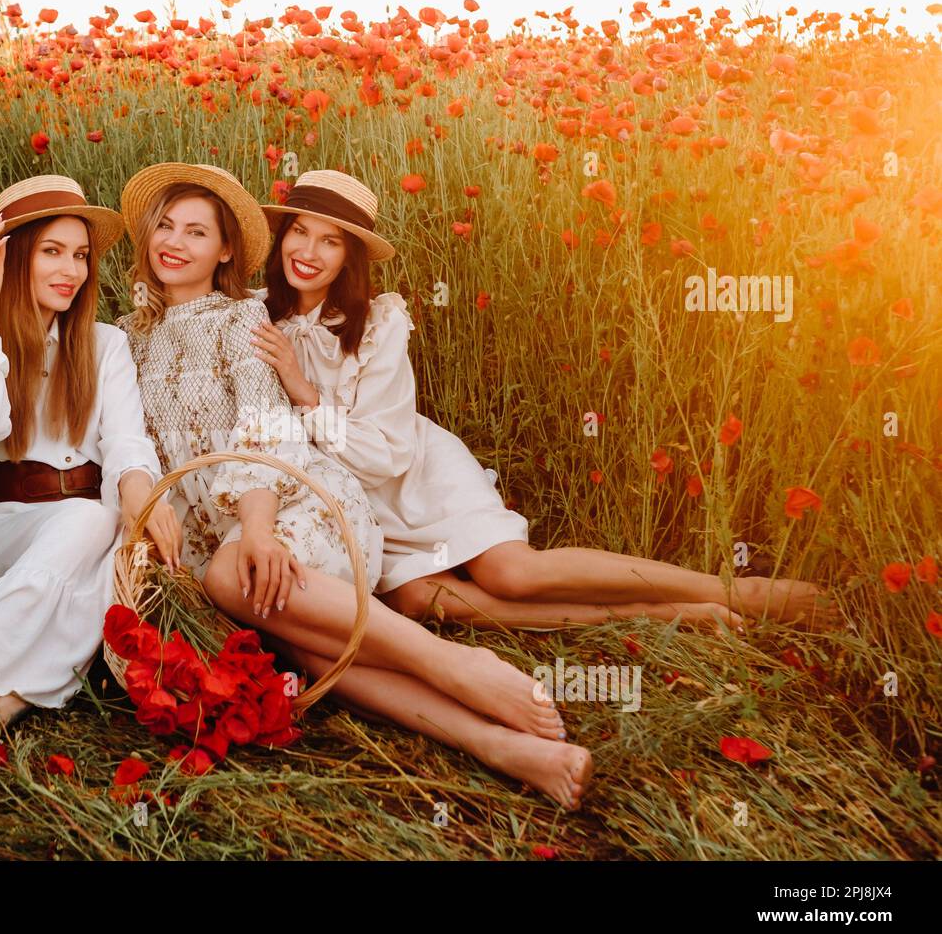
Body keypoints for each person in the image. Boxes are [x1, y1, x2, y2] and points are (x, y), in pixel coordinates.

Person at [115, 162, 592, 811]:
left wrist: (255, 528)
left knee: (236, 575)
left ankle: (454, 666)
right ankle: (501, 747)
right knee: (314, 660)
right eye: (165, 226)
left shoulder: (242, 319)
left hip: (295, 505)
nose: (175, 241)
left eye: (197, 232)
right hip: (213, 542)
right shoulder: (124, 340)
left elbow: (266, 426)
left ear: (226, 250)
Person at [249, 169, 838, 631]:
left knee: (512, 574)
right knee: (422, 601)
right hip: (353, 506)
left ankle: (736, 590)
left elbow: (385, 455)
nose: (310, 251)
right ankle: (663, 615)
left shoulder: (377, 325)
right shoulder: (250, 315)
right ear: (282, 236)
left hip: (409, 472)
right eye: (300, 231)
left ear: (350, 257)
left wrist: (302, 389)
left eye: (331, 241)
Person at [0, 175, 175, 773]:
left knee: (104, 528)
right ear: (11, 256)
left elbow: (126, 441)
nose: (70, 269)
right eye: (51, 251)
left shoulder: (105, 344)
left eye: (80, 255)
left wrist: (146, 503)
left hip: (87, 534)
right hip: (9, 535)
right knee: (92, 525)